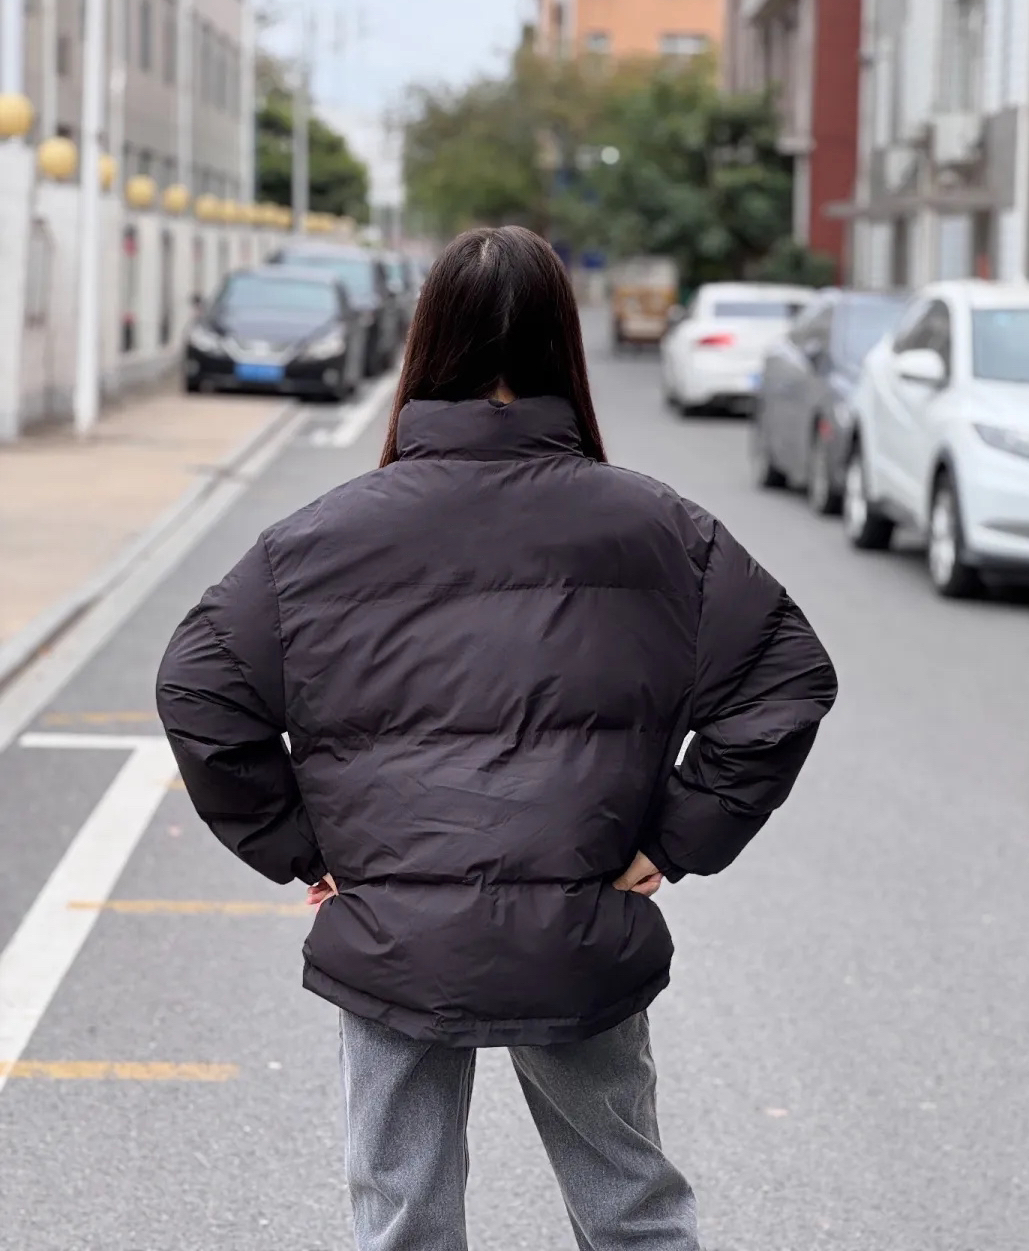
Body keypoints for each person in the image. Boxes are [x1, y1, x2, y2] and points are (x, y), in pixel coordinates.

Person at [156, 225, 838, 1251]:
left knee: (404, 1222)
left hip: (392, 937)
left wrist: (304, 847)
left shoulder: (316, 540)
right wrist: (675, 839)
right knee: (632, 1212)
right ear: (566, 346)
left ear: (424, 345)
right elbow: (785, 674)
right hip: (580, 929)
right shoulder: (658, 528)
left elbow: (198, 686)